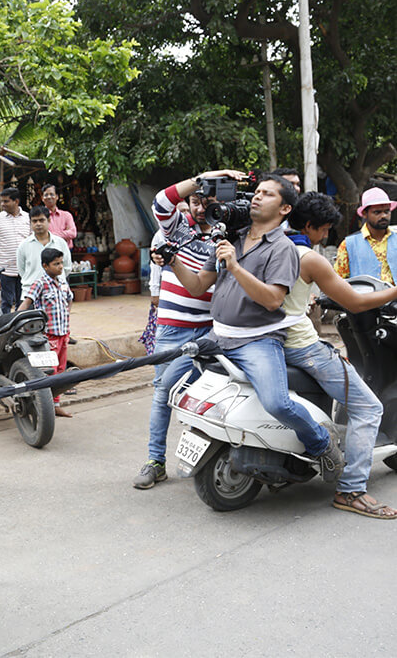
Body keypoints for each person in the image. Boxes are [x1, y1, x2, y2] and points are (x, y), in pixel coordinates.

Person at [167, 176, 344, 481]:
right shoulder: (231, 240)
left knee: (277, 402)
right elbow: (197, 286)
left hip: (256, 341)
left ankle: (322, 443)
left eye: (267, 194)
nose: (257, 198)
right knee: (171, 385)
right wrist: (172, 262)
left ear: (285, 208)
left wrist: (235, 267)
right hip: (218, 335)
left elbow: (274, 300)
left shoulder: (283, 249)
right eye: (257, 192)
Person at [284, 192, 397, 518]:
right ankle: (352, 490)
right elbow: (352, 296)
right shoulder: (313, 255)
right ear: (309, 225)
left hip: (272, 341)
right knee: (369, 406)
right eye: (324, 229)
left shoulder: (265, 246)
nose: (327, 236)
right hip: (309, 341)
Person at [133, 172, 241, 489]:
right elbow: (161, 202)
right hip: (172, 330)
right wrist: (204, 179)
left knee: (210, 396)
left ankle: (208, 456)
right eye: (196, 200)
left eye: (208, 201)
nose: (200, 207)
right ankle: (155, 461)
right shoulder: (178, 230)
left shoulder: (230, 235)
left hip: (212, 331)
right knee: (163, 393)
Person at [18, 247, 73, 418]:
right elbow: (27, 302)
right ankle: (46, 405)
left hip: (63, 334)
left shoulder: (63, 283)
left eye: (61, 263)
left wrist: (67, 315)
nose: (60, 267)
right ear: (45, 266)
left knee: (61, 369)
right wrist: (16, 318)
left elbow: (69, 300)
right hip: (48, 336)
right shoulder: (40, 283)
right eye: (56, 264)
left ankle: (55, 404)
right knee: (50, 370)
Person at [333, 187, 397, 283]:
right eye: (377, 212)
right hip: (364, 297)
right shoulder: (349, 245)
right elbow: (338, 281)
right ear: (364, 214)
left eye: (387, 211)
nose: (383, 216)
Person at [0, 186, 31, 313]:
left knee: (23, 302)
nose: (2, 204)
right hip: (5, 269)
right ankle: (5, 327)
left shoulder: (28, 218)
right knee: (6, 302)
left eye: (6, 201)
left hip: (25, 269)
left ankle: (20, 327)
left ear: (16, 202)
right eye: (2, 201)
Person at [16, 206, 72, 287]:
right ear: (30, 223)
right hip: (31, 293)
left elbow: (67, 267)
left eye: (41, 220)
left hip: (57, 292)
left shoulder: (60, 243)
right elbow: (22, 270)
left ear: (49, 221)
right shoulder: (24, 246)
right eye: (34, 221)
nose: (38, 224)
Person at [40, 183, 77, 247]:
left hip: (65, 253)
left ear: (57, 197)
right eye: (46, 195)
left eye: (51, 194)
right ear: (42, 198)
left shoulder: (66, 215)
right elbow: (41, 236)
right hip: (46, 252)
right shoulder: (39, 217)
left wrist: (51, 235)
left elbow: (73, 233)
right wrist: (65, 233)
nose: (49, 197)